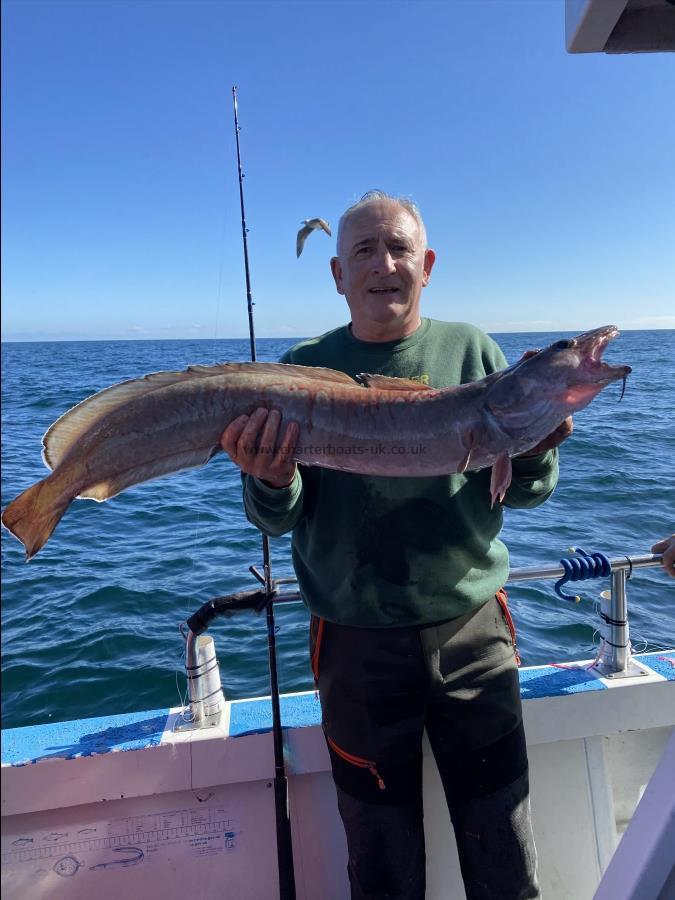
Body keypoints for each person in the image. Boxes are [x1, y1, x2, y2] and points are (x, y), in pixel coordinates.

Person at [221, 191, 572, 900]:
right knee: (380, 861)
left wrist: (532, 448)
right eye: (363, 251)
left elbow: (526, 492)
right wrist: (269, 476)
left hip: (472, 634)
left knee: (503, 842)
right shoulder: (302, 365)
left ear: (426, 264)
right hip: (355, 644)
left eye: (398, 249)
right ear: (336, 274)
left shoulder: (473, 349)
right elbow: (279, 518)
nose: (383, 265)